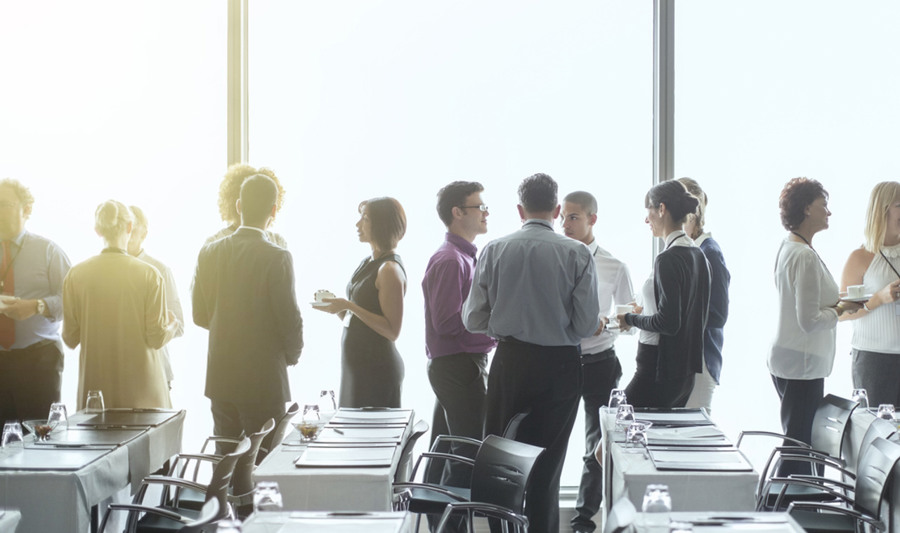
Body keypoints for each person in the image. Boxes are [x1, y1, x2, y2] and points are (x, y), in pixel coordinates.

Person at [463, 173, 600, 533]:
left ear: (520, 209)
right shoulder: (577, 253)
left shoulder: (494, 249)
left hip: (510, 363)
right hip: (560, 368)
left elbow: (472, 318)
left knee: (499, 467)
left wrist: (505, 323)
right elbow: (586, 326)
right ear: (556, 210)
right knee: (547, 470)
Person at [193, 174, 304, 446]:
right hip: (264, 378)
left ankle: (226, 492)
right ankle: (259, 492)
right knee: (265, 461)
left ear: (239, 205)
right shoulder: (277, 256)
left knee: (225, 459)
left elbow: (199, 315)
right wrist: (292, 355)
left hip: (221, 375)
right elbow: (289, 319)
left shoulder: (209, 252)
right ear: (274, 210)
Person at [768, 177, 859, 474]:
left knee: (799, 442)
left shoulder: (789, 247)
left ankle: (790, 507)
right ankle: (781, 510)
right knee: (800, 449)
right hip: (802, 363)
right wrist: (842, 308)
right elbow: (809, 321)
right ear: (807, 209)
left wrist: (836, 305)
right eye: (824, 205)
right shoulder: (804, 256)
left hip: (789, 358)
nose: (829, 212)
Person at [561, 190, 633, 533]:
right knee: (552, 439)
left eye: (573, 217)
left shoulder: (614, 266)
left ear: (592, 219)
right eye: (562, 216)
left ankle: (582, 521)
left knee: (596, 446)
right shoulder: (555, 259)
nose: (565, 223)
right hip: (559, 362)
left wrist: (609, 323)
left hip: (600, 362)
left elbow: (629, 319)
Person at [63, 200, 178, 409]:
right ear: (129, 227)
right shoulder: (150, 275)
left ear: (97, 230)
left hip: (96, 392)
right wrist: (172, 325)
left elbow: (70, 338)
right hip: (143, 391)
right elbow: (156, 337)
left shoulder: (76, 275)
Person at [422, 181, 497, 487]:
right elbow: (447, 322)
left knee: (447, 450)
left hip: (455, 365)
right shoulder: (451, 260)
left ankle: (435, 520)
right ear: (457, 212)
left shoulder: (462, 257)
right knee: (466, 453)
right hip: (458, 365)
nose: (485, 212)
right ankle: (450, 524)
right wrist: (494, 331)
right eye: (479, 206)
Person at [617, 180, 711, 408]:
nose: (646, 219)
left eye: (649, 211)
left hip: (657, 369)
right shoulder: (698, 255)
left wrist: (629, 319)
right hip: (684, 372)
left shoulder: (668, 259)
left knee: (613, 425)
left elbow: (668, 322)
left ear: (661, 209)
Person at [314, 197, 407, 408]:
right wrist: (339, 308)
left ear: (381, 224)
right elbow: (361, 321)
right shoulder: (368, 262)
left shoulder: (389, 270)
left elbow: (392, 330)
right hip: (357, 368)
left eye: (364, 218)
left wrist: (349, 306)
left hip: (376, 371)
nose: (358, 224)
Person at [0, 178, 71, 422]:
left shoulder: (48, 251)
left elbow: (72, 302)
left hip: (38, 361)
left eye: (4, 204)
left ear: (27, 209)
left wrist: (37, 306)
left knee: (40, 441)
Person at [840, 181, 900, 406]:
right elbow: (840, 312)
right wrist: (877, 299)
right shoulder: (860, 257)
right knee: (878, 434)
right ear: (882, 210)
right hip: (875, 361)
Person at [678, 178, 730, 413]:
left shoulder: (709, 252)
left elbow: (718, 314)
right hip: (689, 359)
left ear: (690, 214)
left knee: (694, 435)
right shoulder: (688, 250)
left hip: (701, 360)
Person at [128, 205, 185, 390]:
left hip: (155, 372)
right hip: (118, 371)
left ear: (143, 234)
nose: (127, 235)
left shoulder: (160, 271)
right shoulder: (104, 271)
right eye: (123, 228)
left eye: (132, 230)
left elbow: (179, 325)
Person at [206, 163, 288, 248]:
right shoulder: (214, 243)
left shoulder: (278, 241)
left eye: (264, 200)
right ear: (238, 205)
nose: (258, 208)